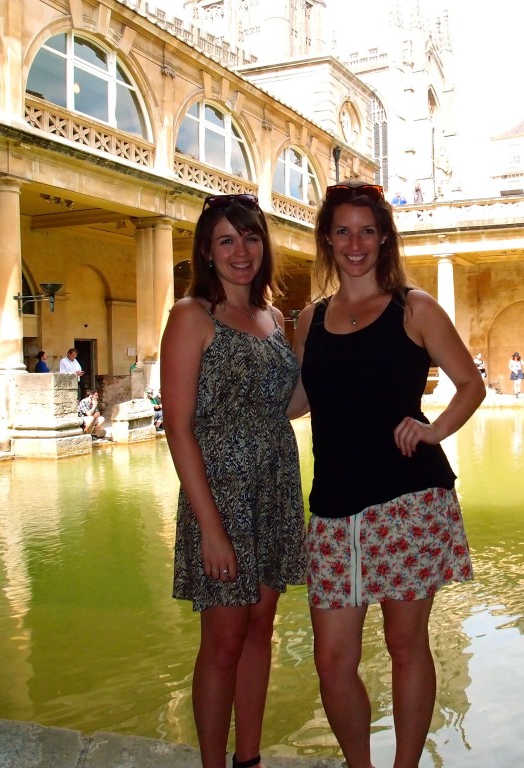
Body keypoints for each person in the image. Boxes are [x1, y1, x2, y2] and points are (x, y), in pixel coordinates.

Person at [289, 181, 484, 768]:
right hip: (332, 505)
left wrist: (433, 430)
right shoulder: (310, 319)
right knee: (332, 659)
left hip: (407, 499)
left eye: (367, 231)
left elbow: (471, 384)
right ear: (327, 238)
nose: (356, 243)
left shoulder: (414, 307)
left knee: (405, 644)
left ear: (384, 238)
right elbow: (300, 399)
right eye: (343, 230)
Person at [159, 193, 306, 768]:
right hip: (218, 494)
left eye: (249, 238)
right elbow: (177, 428)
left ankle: (249, 757)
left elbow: (287, 405)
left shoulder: (273, 320)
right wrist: (211, 530)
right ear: (207, 250)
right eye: (226, 240)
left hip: (274, 487)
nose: (240, 251)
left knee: (260, 631)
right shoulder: (192, 316)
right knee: (221, 642)